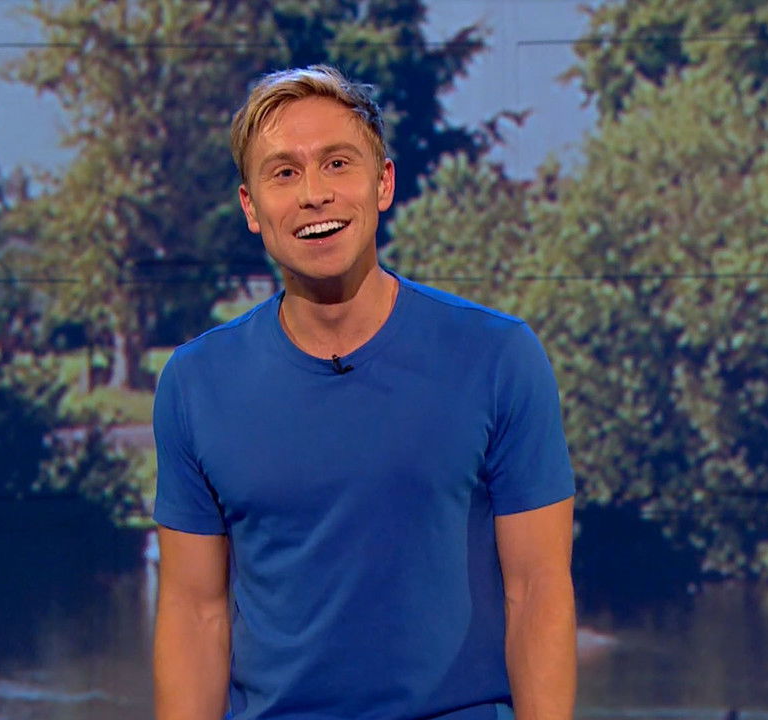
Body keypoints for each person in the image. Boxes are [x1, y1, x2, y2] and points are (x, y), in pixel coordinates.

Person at [151, 64, 577, 720]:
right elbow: (194, 613)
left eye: (337, 164)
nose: (314, 194)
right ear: (251, 208)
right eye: (284, 173)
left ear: (382, 183)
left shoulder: (498, 357)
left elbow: (538, 591)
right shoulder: (195, 383)